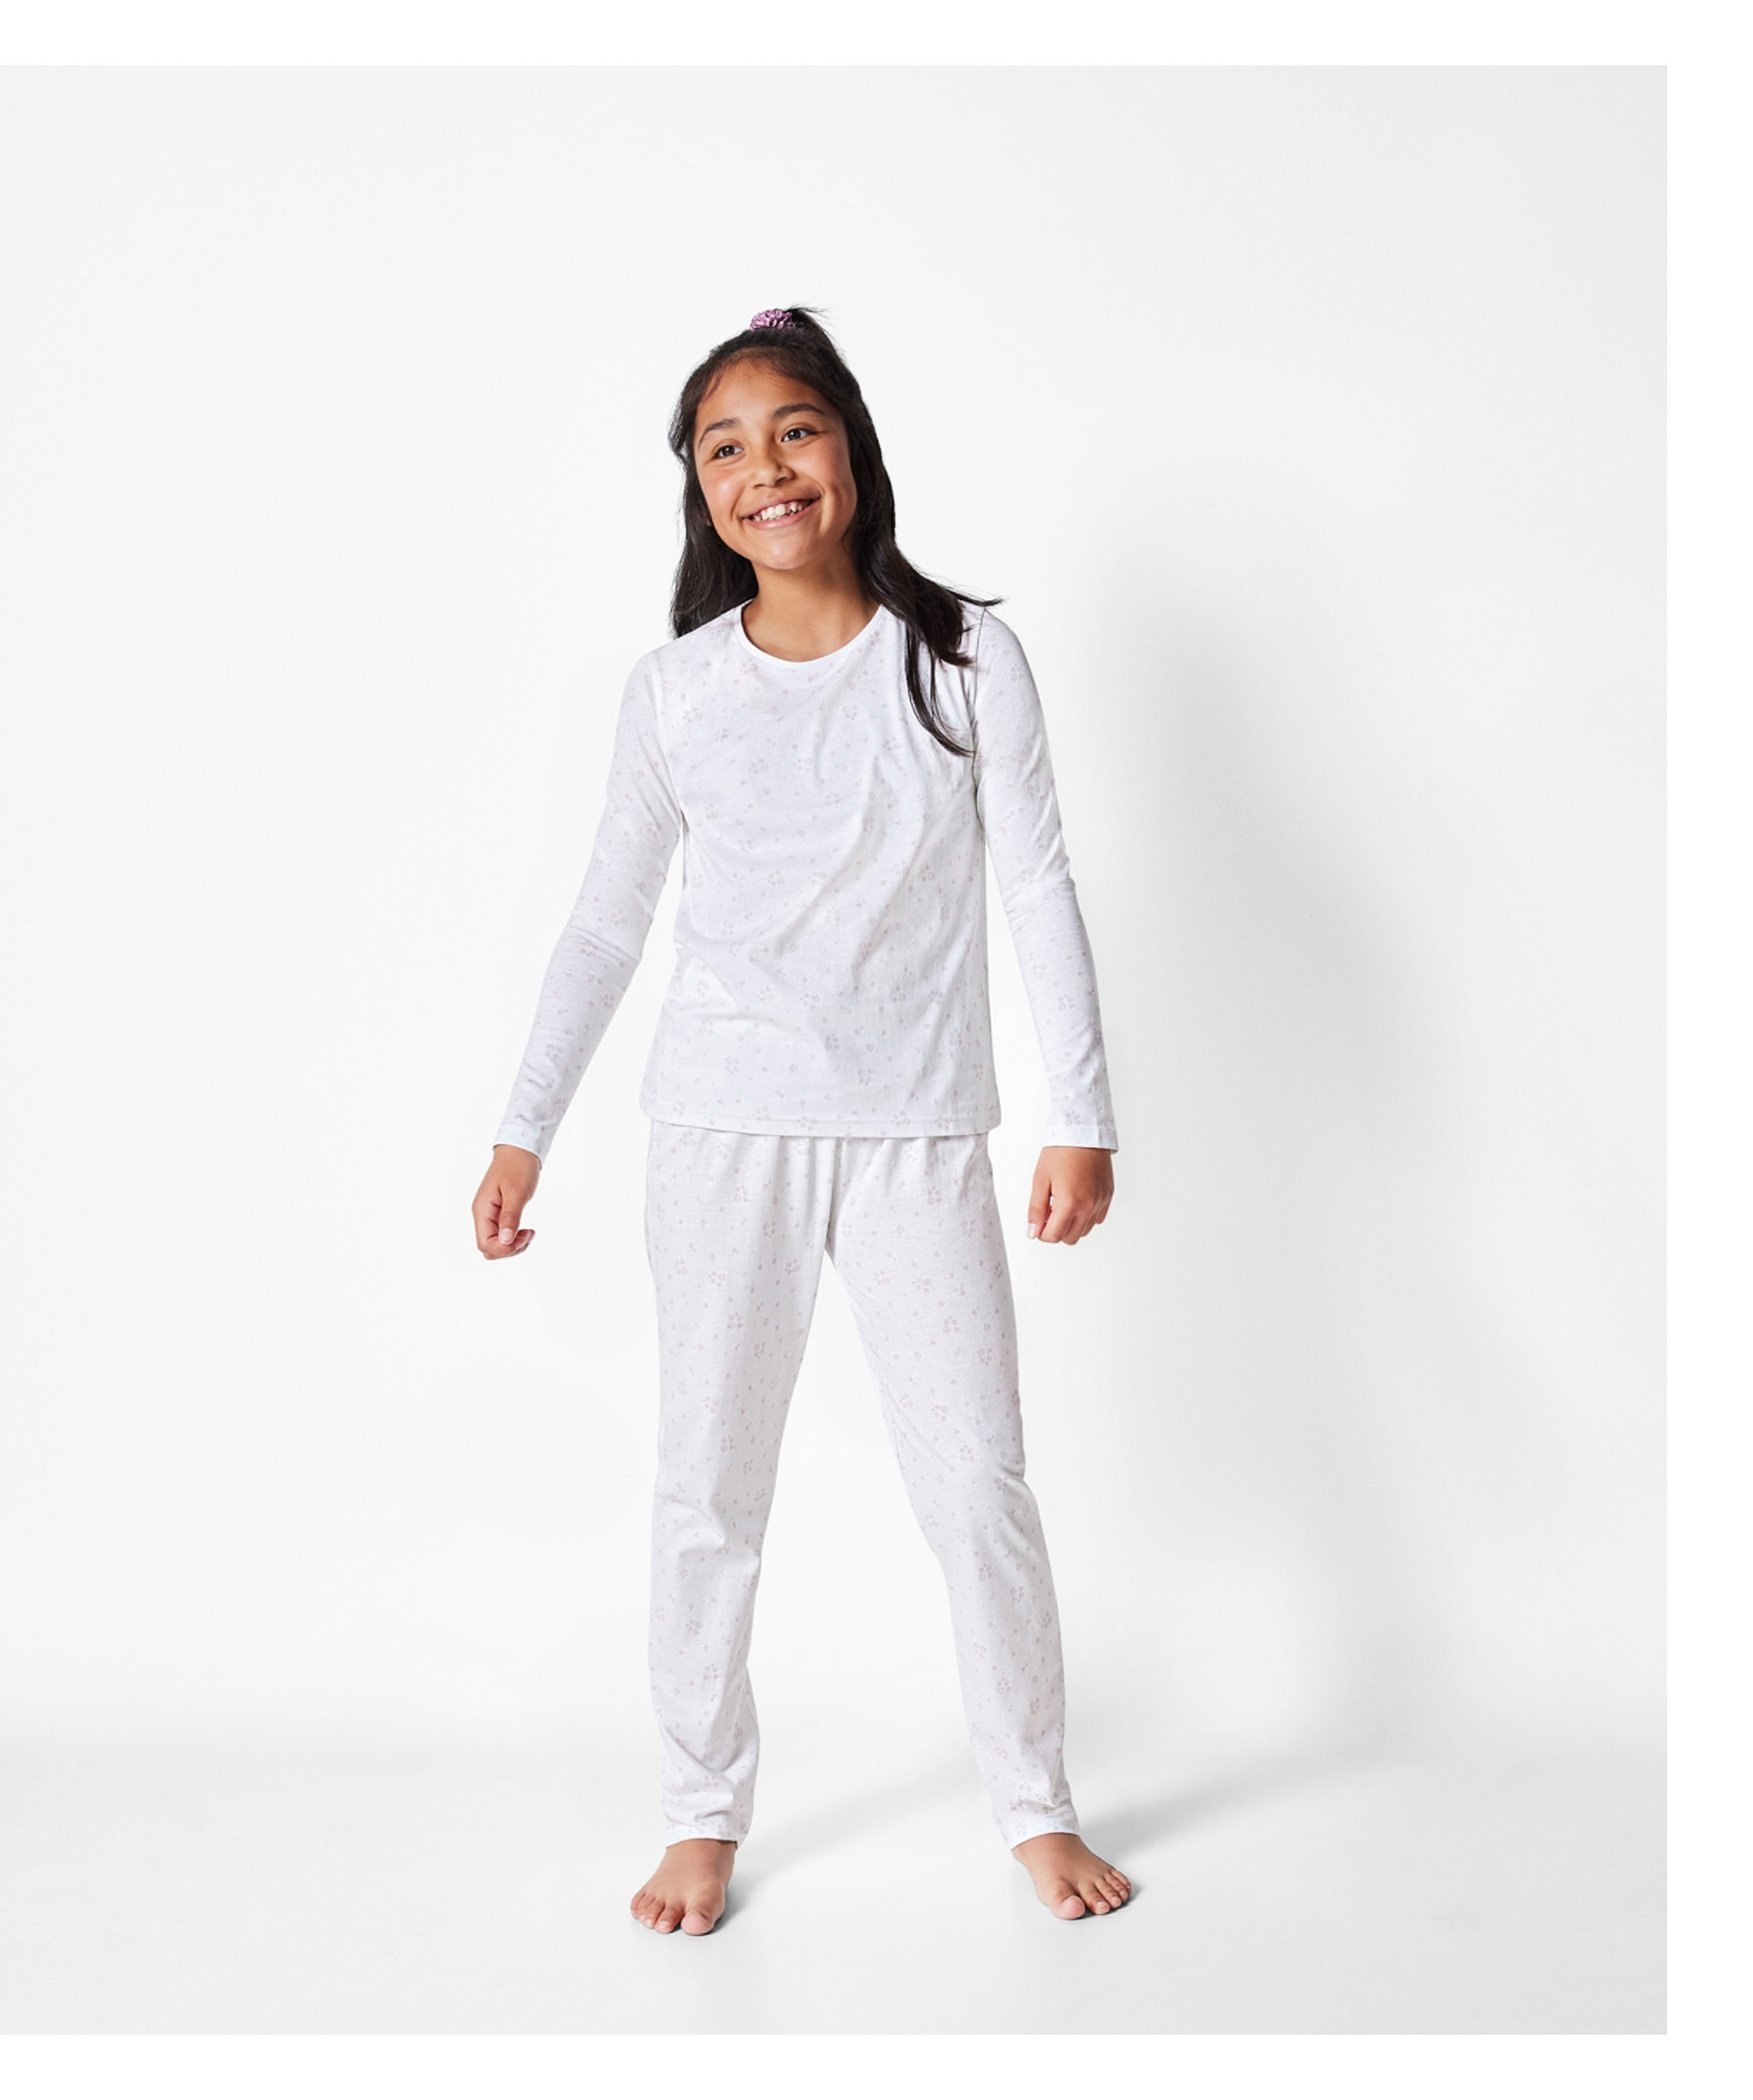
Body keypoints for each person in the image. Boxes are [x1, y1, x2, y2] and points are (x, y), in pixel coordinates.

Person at [471, 307, 1132, 1936]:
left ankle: (1035, 1799)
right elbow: (606, 921)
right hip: (721, 1130)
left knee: (977, 1483)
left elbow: (1037, 883)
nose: (765, 469)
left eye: (794, 430)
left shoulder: (962, 658)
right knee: (709, 1485)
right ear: (699, 491)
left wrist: (1082, 1112)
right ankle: (701, 1809)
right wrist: (523, 1125)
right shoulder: (676, 692)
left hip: (917, 1136)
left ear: (850, 446)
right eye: (726, 447)